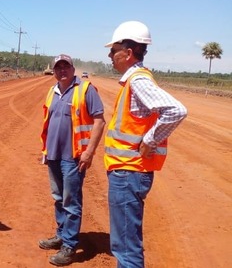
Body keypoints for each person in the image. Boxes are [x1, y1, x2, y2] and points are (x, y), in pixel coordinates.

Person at [104, 21, 187, 268]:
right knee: (125, 245)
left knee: (126, 249)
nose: (110, 55)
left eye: (114, 50)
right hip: (129, 171)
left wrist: (149, 141)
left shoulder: (138, 80)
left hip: (129, 172)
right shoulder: (135, 80)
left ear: (128, 53)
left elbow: (176, 110)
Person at [38, 54, 106, 266]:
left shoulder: (85, 90)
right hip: (54, 155)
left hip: (74, 157)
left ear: (73, 68)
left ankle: (69, 245)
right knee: (58, 197)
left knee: (71, 201)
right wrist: (45, 151)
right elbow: (48, 123)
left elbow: (99, 121)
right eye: (58, 68)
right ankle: (60, 235)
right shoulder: (53, 91)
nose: (62, 71)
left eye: (65, 66)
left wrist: (89, 152)